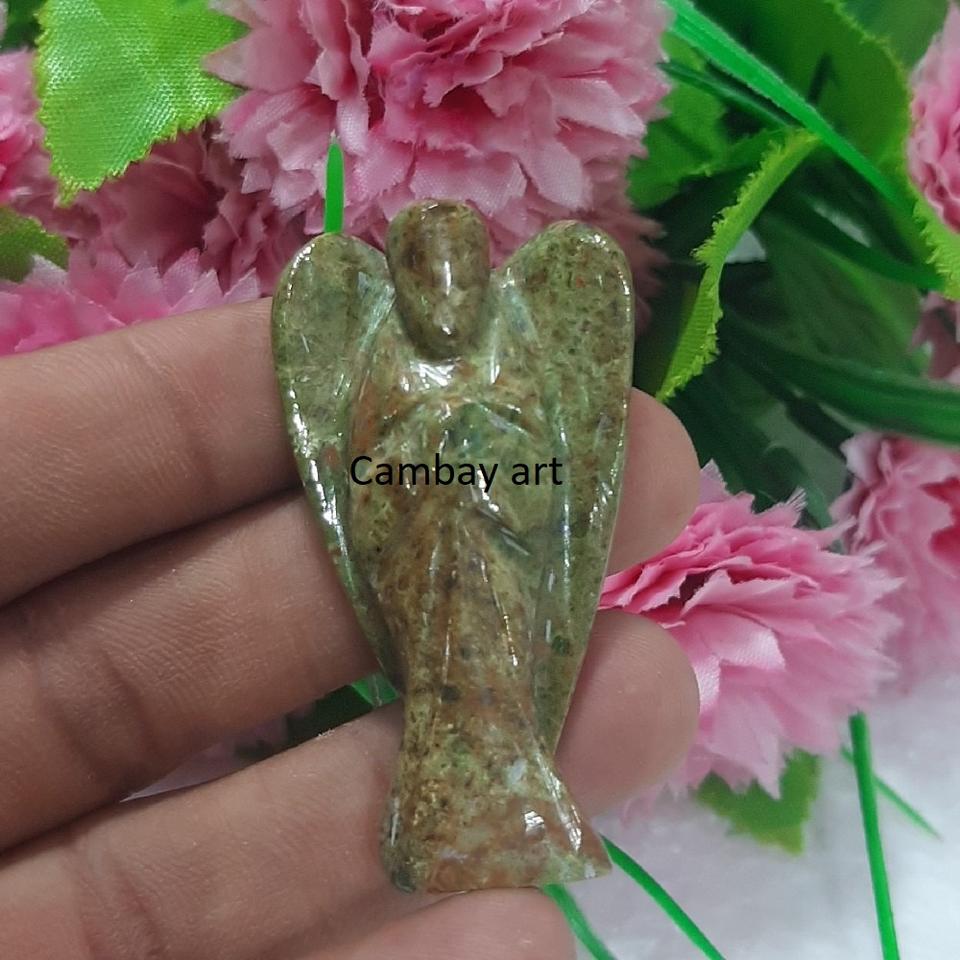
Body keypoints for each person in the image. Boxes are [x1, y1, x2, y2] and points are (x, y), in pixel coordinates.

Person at [0, 298, 701, 959]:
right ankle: (440, 824)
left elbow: (535, 457)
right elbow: (369, 466)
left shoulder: (509, 362)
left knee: (498, 688)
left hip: (494, 554)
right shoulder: (387, 363)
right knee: (440, 695)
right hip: (427, 559)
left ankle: (513, 811)